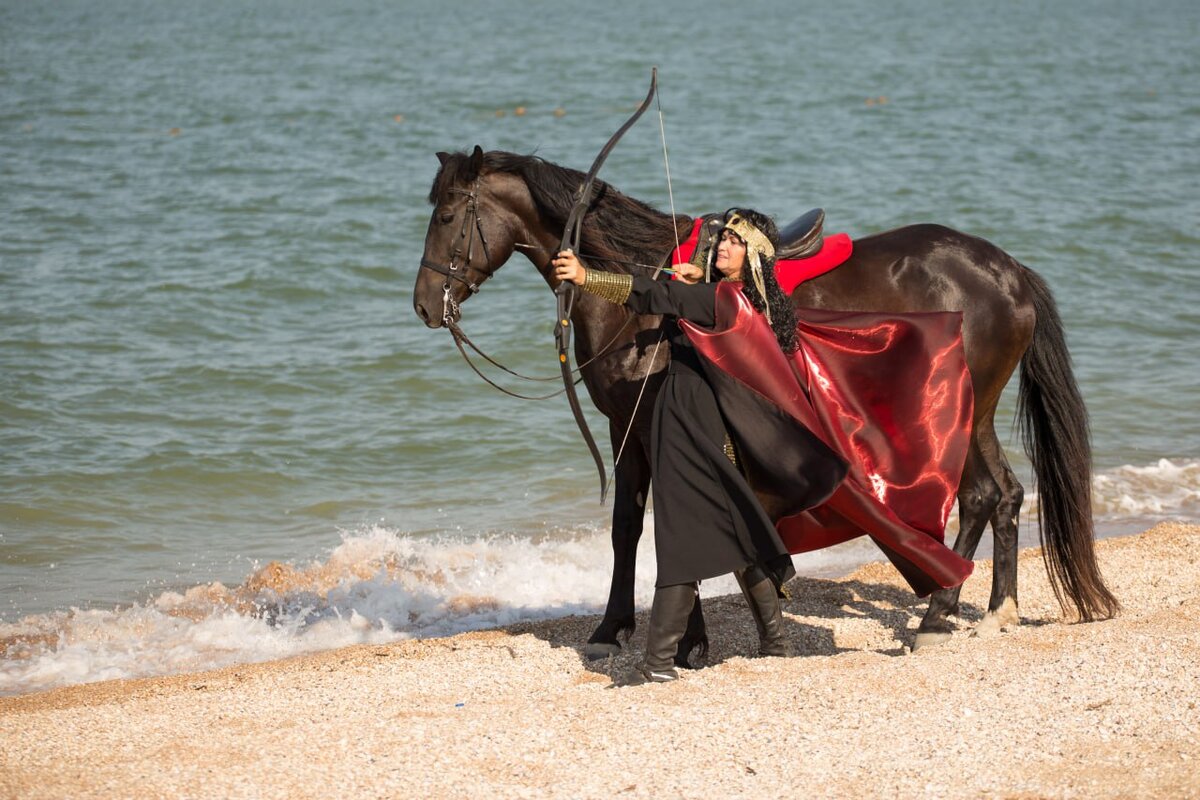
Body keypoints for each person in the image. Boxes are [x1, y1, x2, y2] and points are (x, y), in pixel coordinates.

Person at [552, 209, 817, 685]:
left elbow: (649, 293)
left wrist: (584, 275)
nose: (722, 247)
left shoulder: (720, 299)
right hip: (708, 425)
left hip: (686, 425)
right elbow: (696, 296)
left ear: (753, 256)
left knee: (678, 544)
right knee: (740, 533)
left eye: (735, 243)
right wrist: (701, 280)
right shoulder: (743, 298)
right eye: (723, 240)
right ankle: (776, 645)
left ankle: (657, 664)